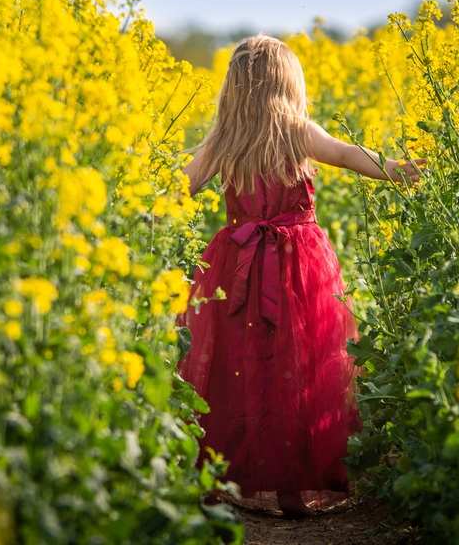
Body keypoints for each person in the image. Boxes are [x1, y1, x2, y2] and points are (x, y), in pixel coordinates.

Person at [176, 34, 425, 518]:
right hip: (298, 264)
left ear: (233, 88)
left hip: (238, 264)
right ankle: (294, 483)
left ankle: (239, 479)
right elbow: (349, 153)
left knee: (241, 366)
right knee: (300, 365)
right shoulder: (296, 129)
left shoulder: (224, 137)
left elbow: (180, 185)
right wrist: (397, 170)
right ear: (288, 83)